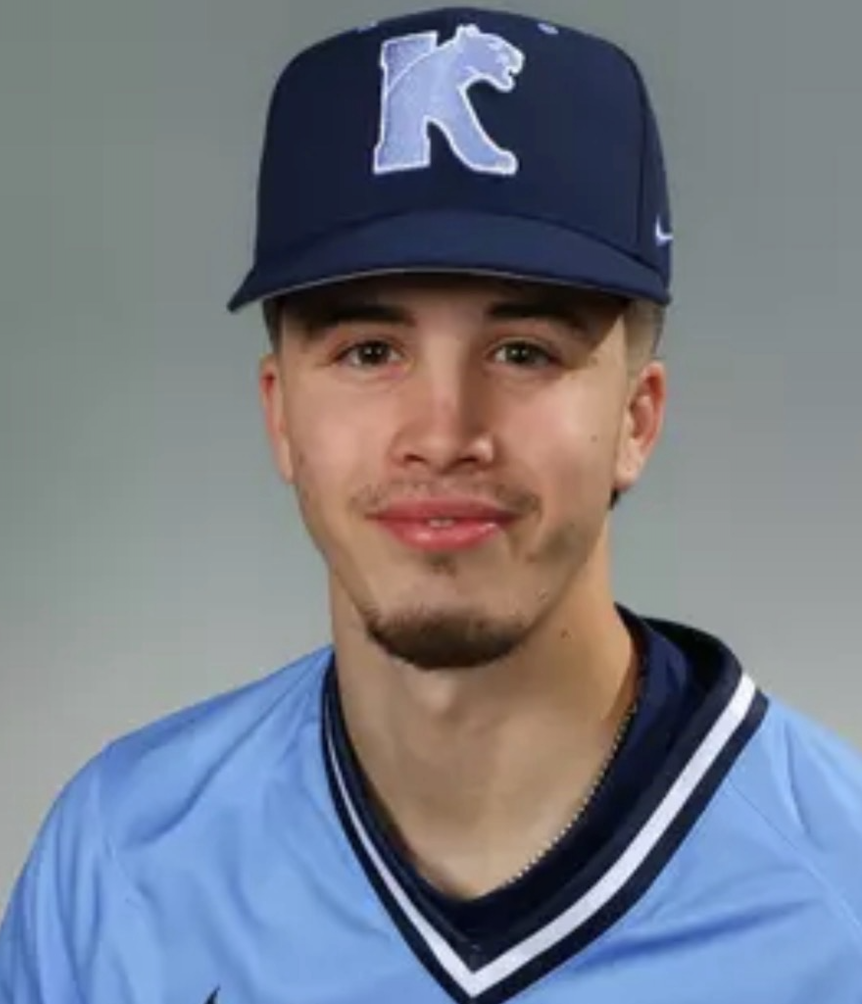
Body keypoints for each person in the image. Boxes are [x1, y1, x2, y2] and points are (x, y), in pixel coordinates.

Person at [2, 6, 862, 1002]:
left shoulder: (841, 900)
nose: (446, 430)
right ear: (281, 416)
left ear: (636, 415)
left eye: (523, 350)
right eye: (370, 350)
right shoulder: (120, 857)